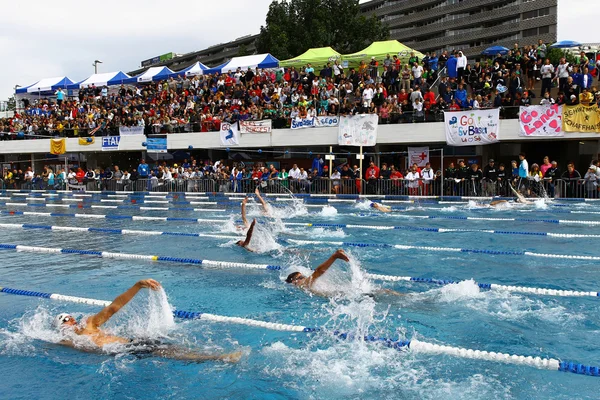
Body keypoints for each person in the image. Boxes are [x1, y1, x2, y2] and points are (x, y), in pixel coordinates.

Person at [54, 279, 241, 362]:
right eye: (66, 321)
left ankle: (217, 356)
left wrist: (138, 286)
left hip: (129, 345)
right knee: (169, 352)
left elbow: (113, 308)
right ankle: (219, 358)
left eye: (70, 317)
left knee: (172, 349)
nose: (71, 320)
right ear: (63, 327)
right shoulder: (69, 340)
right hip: (125, 350)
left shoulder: (90, 324)